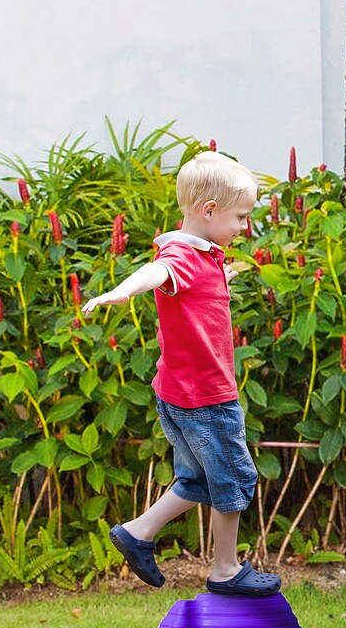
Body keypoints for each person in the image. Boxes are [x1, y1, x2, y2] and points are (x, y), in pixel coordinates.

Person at [81, 151, 281, 596]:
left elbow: (182, 281)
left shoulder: (205, 255)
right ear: (209, 211)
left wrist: (221, 274)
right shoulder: (182, 256)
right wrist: (120, 291)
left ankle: (137, 532)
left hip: (178, 395)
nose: (244, 227)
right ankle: (226, 569)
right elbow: (159, 271)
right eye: (241, 217)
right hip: (206, 398)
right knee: (234, 478)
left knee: (197, 479)